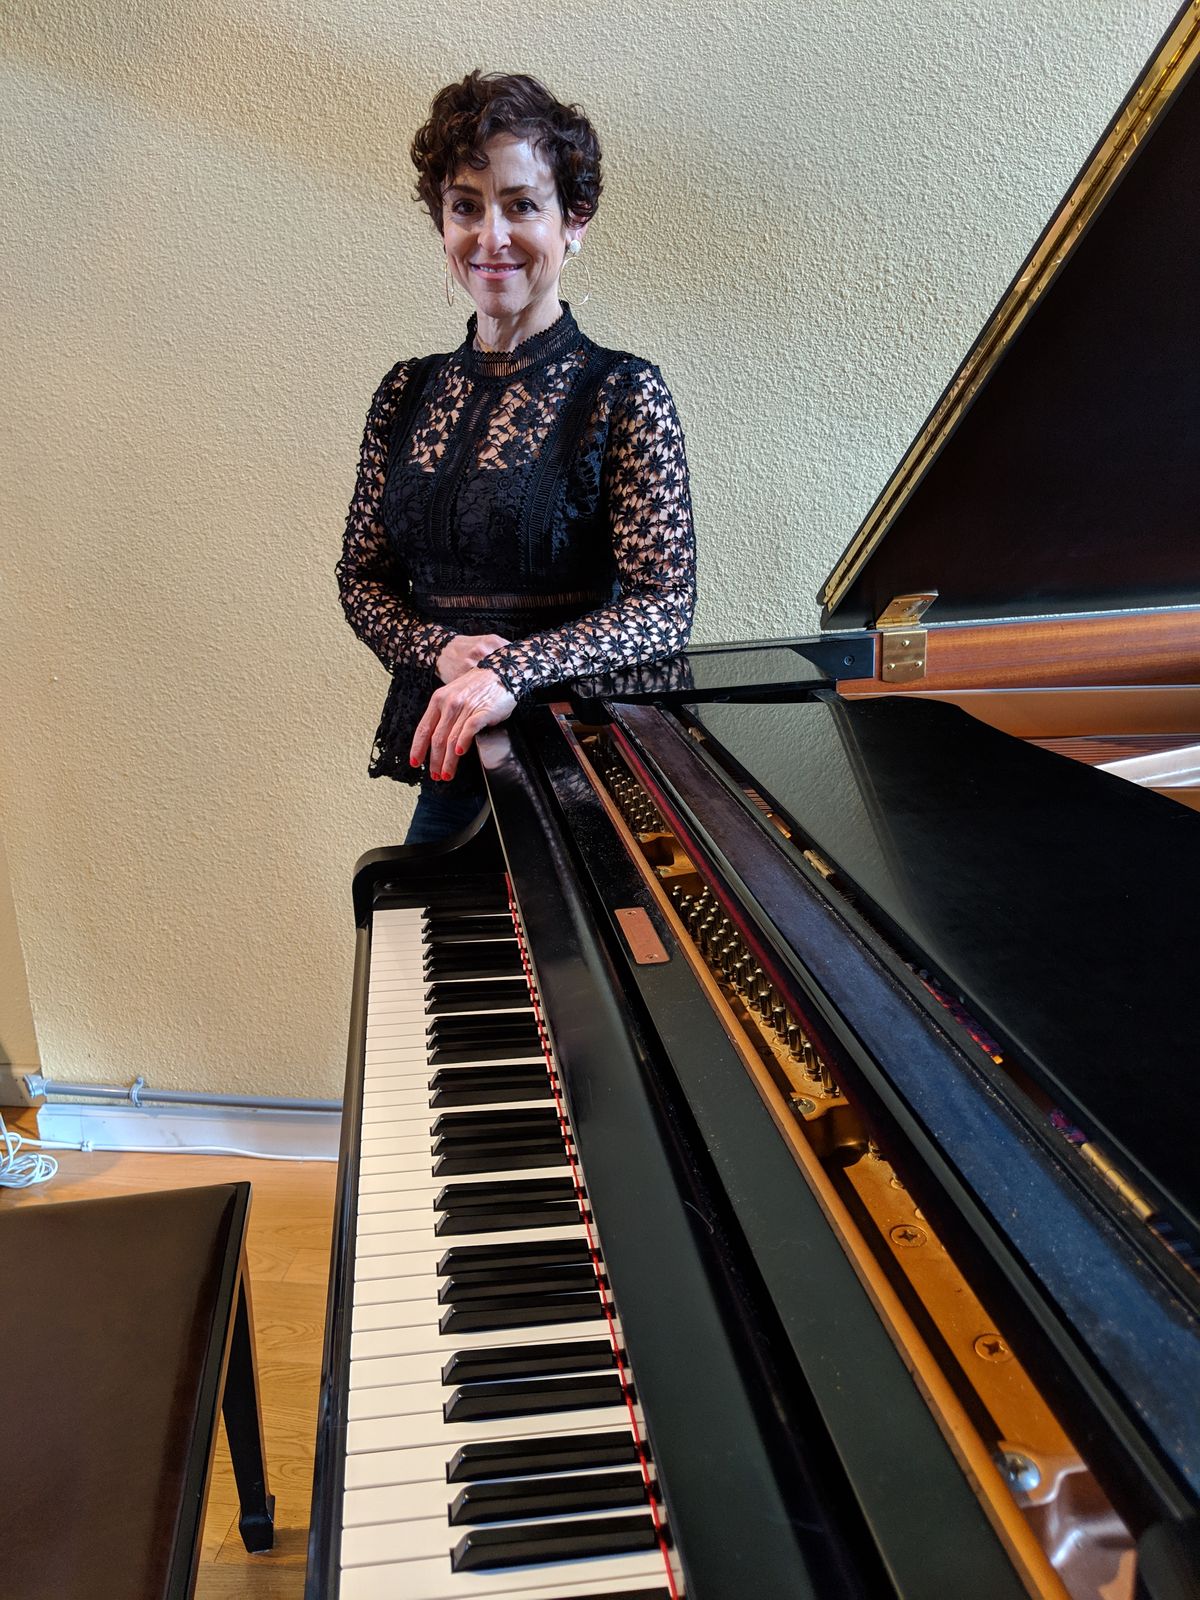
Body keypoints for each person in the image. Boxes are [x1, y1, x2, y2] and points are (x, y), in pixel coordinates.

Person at [337, 70, 696, 844]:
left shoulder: (623, 392)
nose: (490, 237)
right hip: (457, 767)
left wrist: (512, 670)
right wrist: (439, 648)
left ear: (575, 221)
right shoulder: (404, 393)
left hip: (591, 768)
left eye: (522, 205)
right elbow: (362, 579)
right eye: (466, 207)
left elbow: (663, 608)